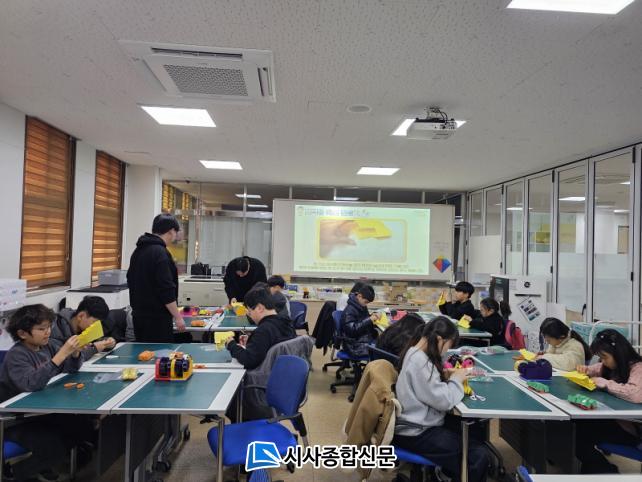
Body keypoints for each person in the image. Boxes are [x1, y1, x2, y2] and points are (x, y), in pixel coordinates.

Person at [0, 304, 96, 481]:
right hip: (16, 419)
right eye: (41, 329)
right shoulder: (17, 355)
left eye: (49, 327)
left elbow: (69, 369)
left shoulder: (48, 346)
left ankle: (43, 464)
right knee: (53, 444)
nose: (47, 332)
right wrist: (61, 355)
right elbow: (31, 384)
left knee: (82, 427)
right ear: (22, 333)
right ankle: (14, 472)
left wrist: (74, 354)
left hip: (40, 413)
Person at [393, 317, 490, 482]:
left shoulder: (414, 352)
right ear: (439, 339)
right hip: (416, 431)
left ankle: (446, 472)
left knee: (474, 430)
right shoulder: (420, 362)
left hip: (418, 422)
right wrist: (457, 379)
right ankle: (451, 473)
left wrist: (445, 376)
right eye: (448, 346)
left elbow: (428, 389)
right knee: (478, 456)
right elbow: (444, 401)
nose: (446, 352)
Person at [574, 329, 642, 473]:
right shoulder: (612, 365)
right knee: (575, 425)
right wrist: (585, 370)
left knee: (579, 434)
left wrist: (604, 382)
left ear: (618, 353)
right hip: (615, 421)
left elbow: (634, 394)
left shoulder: (638, 368)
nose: (603, 362)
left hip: (631, 429)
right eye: (600, 358)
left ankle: (605, 471)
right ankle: (596, 468)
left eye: (604, 357)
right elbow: (595, 369)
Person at [127, 214, 186, 342]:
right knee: (160, 353)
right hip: (157, 320)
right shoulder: (160, 253)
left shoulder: (138, 251)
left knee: (144, 351)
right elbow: (166, 289)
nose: (175, 236)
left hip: (139, 317)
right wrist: (177, 317)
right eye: (175, 232)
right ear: (171, 231)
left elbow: (130, 279)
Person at [224, 286, 296, 370]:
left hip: (265, 374)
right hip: (284, 370)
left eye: (250, 312)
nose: (250, 316)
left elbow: (248, 360)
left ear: (260, 308)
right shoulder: (286, 322)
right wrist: (252, 341)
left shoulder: (263, 331)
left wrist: (231, 344)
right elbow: (271, 344)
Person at [52, 295, 116, 361]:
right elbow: (64, 358)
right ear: (81, 316)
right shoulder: (56, 329)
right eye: (94, 322)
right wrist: (94, 349)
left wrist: (107, 342)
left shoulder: (84, 327)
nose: (96, 326)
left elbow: (96, 341)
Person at [340, 284, 380, 358]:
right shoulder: (349, 310)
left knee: (383, 344)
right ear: (359, 296)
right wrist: (369, 319)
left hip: (361, 339)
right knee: (382, 351)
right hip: (354, 345)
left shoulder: (360, 305)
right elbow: (352, 330)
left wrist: (372, 317)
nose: (366, 305)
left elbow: (363, 320)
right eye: (365, 302)